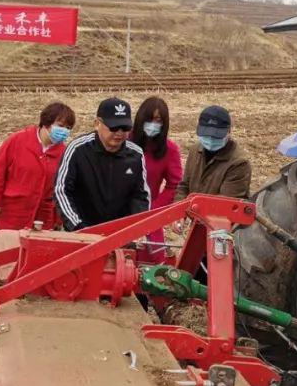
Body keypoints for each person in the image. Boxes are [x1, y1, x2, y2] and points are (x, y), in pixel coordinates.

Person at [54, 96, 151, 231]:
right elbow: (61, 190)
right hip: (82, 231)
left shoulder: (136, 155)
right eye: (113, 128)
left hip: (120, 234)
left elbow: (141, 196)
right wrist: (77, 226)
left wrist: (136, 229)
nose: (119, 133)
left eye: (124, 128)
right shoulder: (77, 149)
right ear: (97, 124)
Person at [0, 101, 76, 231]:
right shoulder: (17, 141)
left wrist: (58, 218)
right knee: (9, 247)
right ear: (46, 123)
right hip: (14, 211)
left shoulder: (64, 153)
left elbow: (62, 188)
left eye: (68, 128)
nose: (64, 131)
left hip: (43, 217)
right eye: (60, 126)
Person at [132, 96, 183, 263]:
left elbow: (174, 184)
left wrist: (153, 210)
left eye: (158, 120)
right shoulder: (124, 142)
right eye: (149, 119)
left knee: (150, 265)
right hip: (119, 213)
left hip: (150, 216)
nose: (153, 124)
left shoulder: (169, 150)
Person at [175, 105, 251, 202]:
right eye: (207, 135)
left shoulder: (239, 163)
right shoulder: (195, 151)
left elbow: (224, 203)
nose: (210, 140)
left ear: (229, 131)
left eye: (216, 136)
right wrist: (179, 210)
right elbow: (183, 186)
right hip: (190, 212)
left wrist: (191, 212)